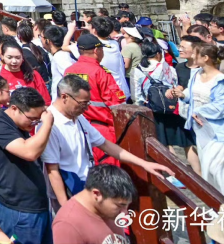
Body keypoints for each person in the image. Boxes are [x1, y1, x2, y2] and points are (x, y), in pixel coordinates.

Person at [44, 74, 171, 206]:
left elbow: (104, 144)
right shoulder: (50, 124)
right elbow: (52, 170)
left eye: (88, 103)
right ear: (65, 97)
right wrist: (66, 207)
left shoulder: (77, 116)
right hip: (70, 191)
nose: (86, 108)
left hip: (88, 186)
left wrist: (144, 164)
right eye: (82, 104)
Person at [169, 42, 224, 204]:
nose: (192, 56)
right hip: (202, 131)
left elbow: (221, 108)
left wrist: (200, 112)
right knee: (209, 172)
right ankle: (218, 207)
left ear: (205, 58)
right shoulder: (197, 74)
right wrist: (181, 95)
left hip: (221, 132)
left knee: (223, 172)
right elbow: (192, 96)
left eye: (196, 53)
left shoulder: (221, 80)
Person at [0, 86, 55, 244]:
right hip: (17, 210)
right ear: (14, 108)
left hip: (38, 206)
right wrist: (47, 124)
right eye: (32, 118)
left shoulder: (22, 124)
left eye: (38, 119)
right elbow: (29, 152)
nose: (34, 123)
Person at [64, 34, 126, 166]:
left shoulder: (69, 71)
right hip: (101, 130)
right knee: (108, 173)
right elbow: (116, 104)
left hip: (76, 128)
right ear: (97, 51)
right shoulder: (101, 72)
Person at [51, 164, 137, 244]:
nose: (125, 213)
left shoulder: (109, 210)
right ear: (97, 194)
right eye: (120, 206)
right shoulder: (67, 225)